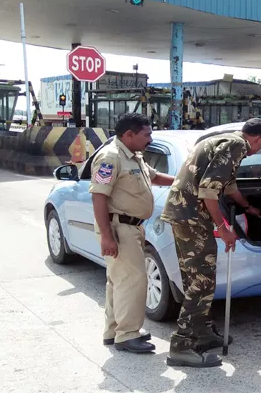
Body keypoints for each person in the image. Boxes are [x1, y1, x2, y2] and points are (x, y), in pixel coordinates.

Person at [160, 118, 261, 368]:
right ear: (260, 139)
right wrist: (224, 228)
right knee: (202, 281)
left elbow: (228, 184)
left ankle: (202, 331)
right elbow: (209, 191)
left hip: (184, 215)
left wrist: (246, 207)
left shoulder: (224, 141)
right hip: (192, 218)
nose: (258, 151)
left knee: (195, 278)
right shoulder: (236, 145)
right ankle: (182, 345)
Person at [90, 113, 175, 353]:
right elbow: (98, 196)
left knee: (118, 280)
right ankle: (127, 335)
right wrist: (107, 236)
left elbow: (155, 176)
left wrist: (182, 181)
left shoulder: (134, 155)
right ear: (129, 135)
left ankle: (114, 330)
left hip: (132, 227)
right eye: (146, 134)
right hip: (119, 227)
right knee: (133, 280)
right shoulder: (110, 157)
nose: (150, 139)